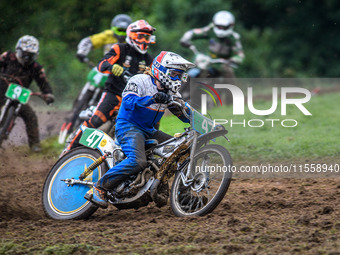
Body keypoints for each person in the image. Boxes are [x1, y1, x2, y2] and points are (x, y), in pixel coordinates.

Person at [84, 51, 195, 208]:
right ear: (160, 70)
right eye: (175, 74)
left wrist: (205, 123)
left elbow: (185, 112)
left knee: (182, 151)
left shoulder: (171, 93)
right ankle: (100, 187)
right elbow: (128, 101)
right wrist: (152, 98)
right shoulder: (140, 80)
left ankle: (183, 197)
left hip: (148, 130)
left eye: (180, 75)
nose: (177, 79)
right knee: (138, 161)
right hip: (128, 126)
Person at [65, 20, 156, 152]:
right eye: (141, 36)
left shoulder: (149, 60)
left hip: (134, 100)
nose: (145, 40)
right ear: (132, 35)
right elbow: (101, 65)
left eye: (147, 37)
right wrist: (112, 67)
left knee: (151, 126)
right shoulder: (120, 48)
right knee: (95, 121)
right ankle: (68, 149)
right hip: (114, 94)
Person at [0, 35, 55, 152]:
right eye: (24, 54)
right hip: (1, 89)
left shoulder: (36, 67)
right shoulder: (8, 57)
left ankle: (35, 145)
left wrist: (48, 94)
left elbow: (43, 83)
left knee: (30, 116)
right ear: (17, 51)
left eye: (31, 56)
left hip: (18, 98)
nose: (27, 58)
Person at [180, 10, 245, 79]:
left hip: (223, 64)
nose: (221, 29)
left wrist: (233, 60)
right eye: (219, 26)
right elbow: (194, 32)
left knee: (229, 75)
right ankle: (180, 87)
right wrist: (185, 39)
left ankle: (231, 89)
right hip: (208, 61)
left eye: (224, 27)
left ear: (231, 25)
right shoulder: (210, 29)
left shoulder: (233, 37)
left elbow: (240, 54)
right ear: (214, 23)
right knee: (191, 71)